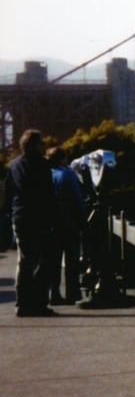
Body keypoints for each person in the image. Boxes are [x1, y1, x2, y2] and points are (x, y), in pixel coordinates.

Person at [3, 129, 58, 317]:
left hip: (20, 217)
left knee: (24, 260)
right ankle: (39, 303)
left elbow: (8, 195)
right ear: (35, 146)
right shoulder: (42, 165)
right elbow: (48, 194)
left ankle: (23, 302)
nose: (44, 147)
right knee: (43, 261)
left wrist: (11, 214)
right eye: (42, 144)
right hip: (39, 218)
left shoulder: (13, 165)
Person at [47, 147, 87, 304]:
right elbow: (78, 198)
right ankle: (73, 293)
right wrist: (83, 220)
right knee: (72, 260)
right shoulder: (68, 174)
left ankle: (54, 294)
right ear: (63, 159)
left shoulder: (45, 174)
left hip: (51, 223)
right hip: (69, 222)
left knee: (53, 260)